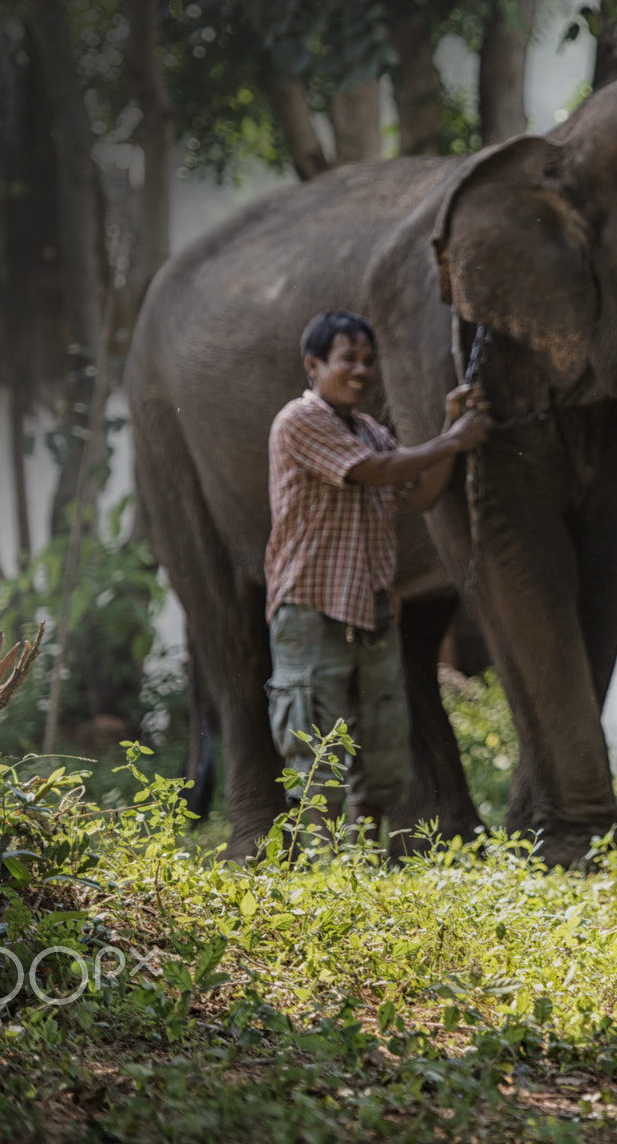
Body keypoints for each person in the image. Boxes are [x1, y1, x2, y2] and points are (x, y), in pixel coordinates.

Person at [263, 309, 492, 840]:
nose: (362, 371)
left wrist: (448, 426)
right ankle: (323, 864)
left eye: (369, 361)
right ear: (314, 365)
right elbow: (374, 472)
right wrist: (454, 439)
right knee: (314, 741)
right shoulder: (300, 420)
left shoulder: (368, 429)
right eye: (348, 360)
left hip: (372, 607)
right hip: (311, 607)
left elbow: (421, 492)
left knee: (383, 740)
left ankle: (363, 858)